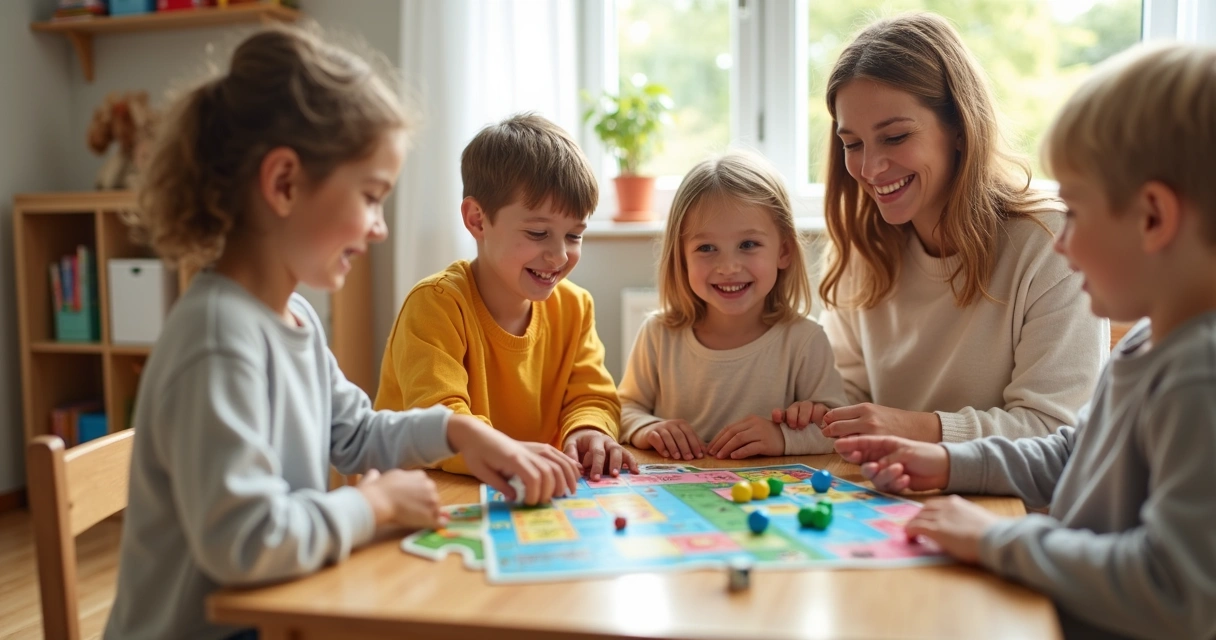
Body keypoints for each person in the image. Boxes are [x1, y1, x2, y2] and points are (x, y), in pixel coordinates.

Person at [104, 27, 579, 640]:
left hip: (276, 610)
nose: (379, 228)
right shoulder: (218, 339)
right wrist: (374, 506)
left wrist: (457, 428)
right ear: (284, 185)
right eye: (372, 197)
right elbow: (246, 543)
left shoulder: (291, 318)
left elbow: (353, 434)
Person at [836, 43, 1216, 640]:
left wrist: (997, 538)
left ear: (1152, 217)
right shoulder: (1149, 344)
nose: (1060, 242)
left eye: (1076, 212)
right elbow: (1072, 455)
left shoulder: (1198, 375)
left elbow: (1177, 590)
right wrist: (949, 462)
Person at [816, 13, 1107, 443]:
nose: (870, 168)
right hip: (892, 497)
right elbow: (844, 400)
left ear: (959, 128)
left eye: (895, 137)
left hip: (1009, 507)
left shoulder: (1052, 244)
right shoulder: (862, 249)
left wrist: (915, 429)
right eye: (852, 144)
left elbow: (1054, 429)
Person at [374, 113, 637, 481]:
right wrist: (509, 453)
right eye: (537, 233)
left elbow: (592, 397)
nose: (559, 255)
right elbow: (439, 419)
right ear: (478, 220)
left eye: (574, 236)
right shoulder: (435, 304)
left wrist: (588, 429)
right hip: (420, 496)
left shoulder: (576, 308)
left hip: (515, 491)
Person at [619, 151, 847, 460]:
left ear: (784, 251)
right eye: (707, 248)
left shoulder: (805, 341)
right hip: (680, 500)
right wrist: (646, 427)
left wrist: (780, 436)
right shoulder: (658, 335)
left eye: (748, 245)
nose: (728, 267)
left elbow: (838, 430)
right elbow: (623, 409)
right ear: (681, 257)